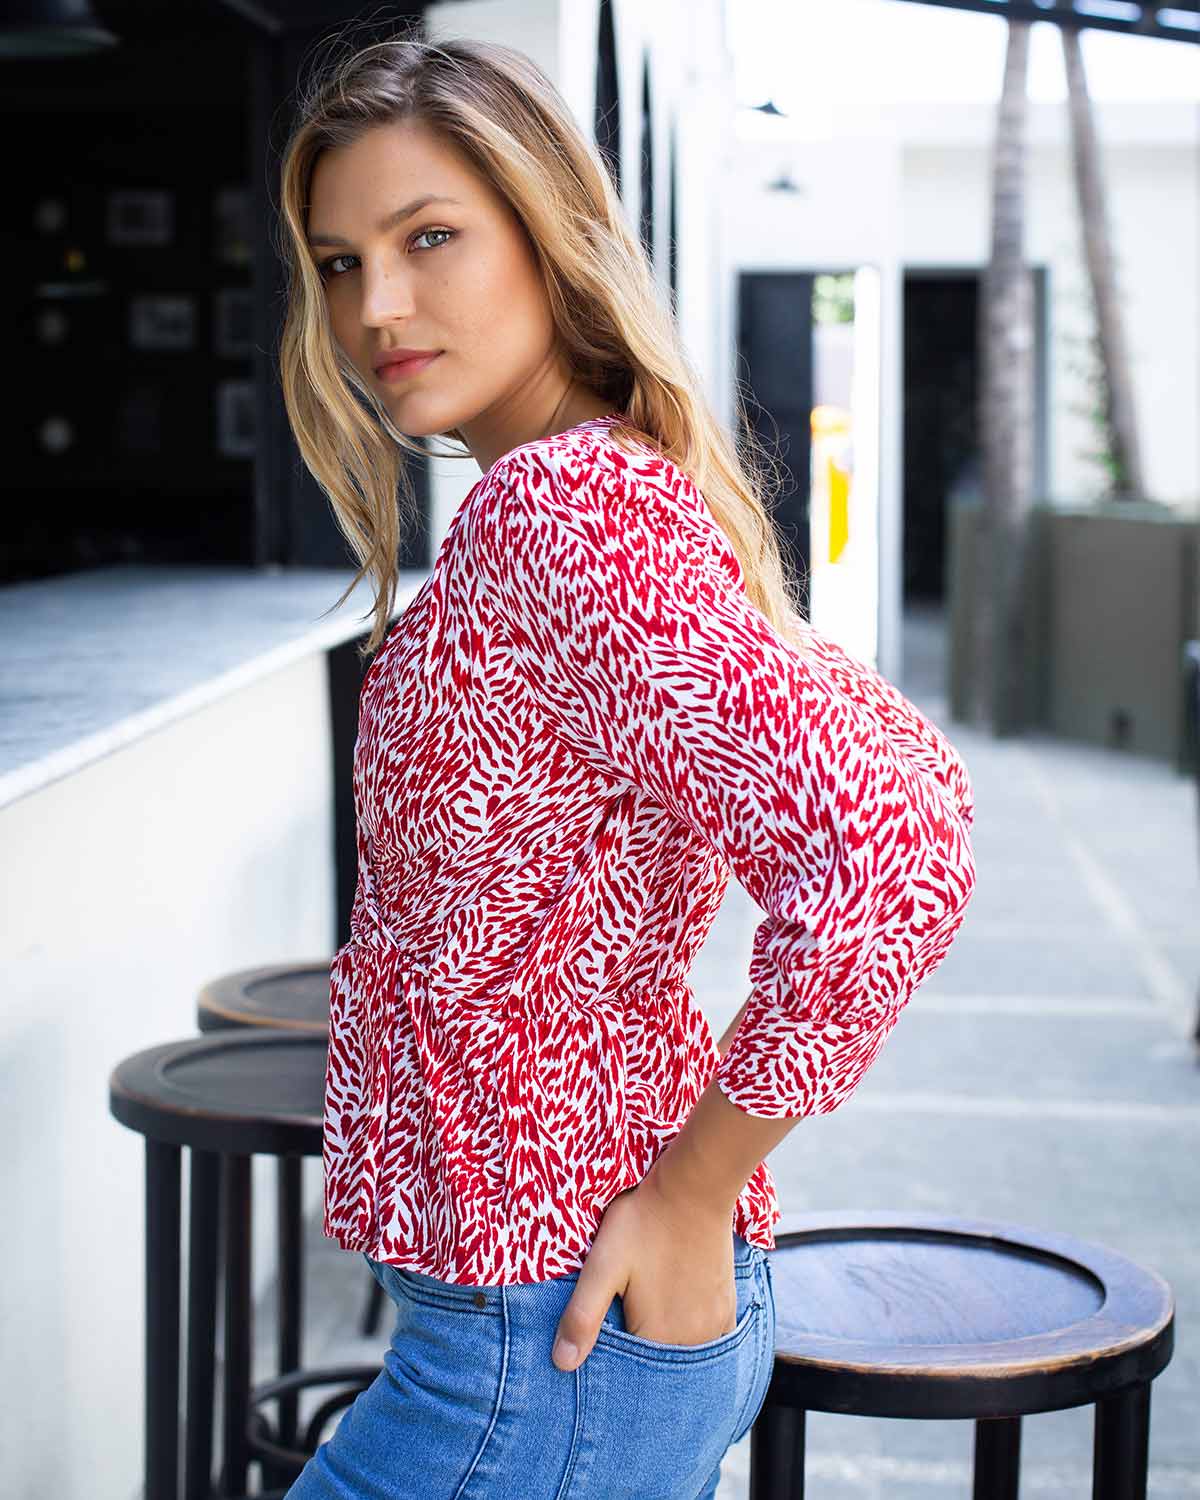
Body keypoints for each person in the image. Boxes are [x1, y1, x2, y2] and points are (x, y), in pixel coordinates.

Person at [275, 24, 977, 1500]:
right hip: (547, 1318)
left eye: (431, 238)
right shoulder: (583, 498)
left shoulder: (563, 514)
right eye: (341, 263)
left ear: (551, 238)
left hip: (544, 1342)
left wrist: (693, 1187)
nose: (377, 307)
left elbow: (893, 842)